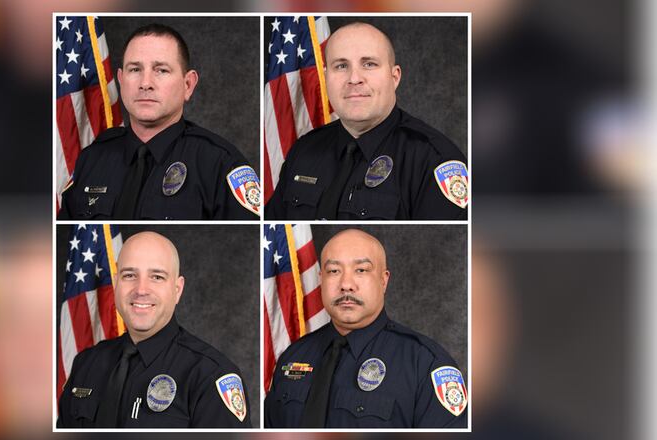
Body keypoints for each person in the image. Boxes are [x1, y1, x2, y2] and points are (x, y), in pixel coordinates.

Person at [264, 229, 467, 428]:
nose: (346, 284)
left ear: (383, 280)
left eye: (361, 270)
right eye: (334, 271)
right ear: (321, 279)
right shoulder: (292, 356)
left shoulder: (424, 364)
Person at [266, 22, 468, 220]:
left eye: (369, 64)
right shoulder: (304, 150)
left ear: (395, 77)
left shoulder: (433, 160)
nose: (354, 78)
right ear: (326, 77)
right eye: (341, 65)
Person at [58, 23, 260, 220]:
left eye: (161, 70)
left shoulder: (221, 164)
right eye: (135, 70)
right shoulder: (91, 159)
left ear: (188, 84)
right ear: (121, 80)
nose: (145, 84)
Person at [58, 232, 251, 428]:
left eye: (157, 277)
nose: (141, 289)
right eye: (130, 275)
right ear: (116, 284)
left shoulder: (209, 375)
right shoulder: (86, 364)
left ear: (177, 290)